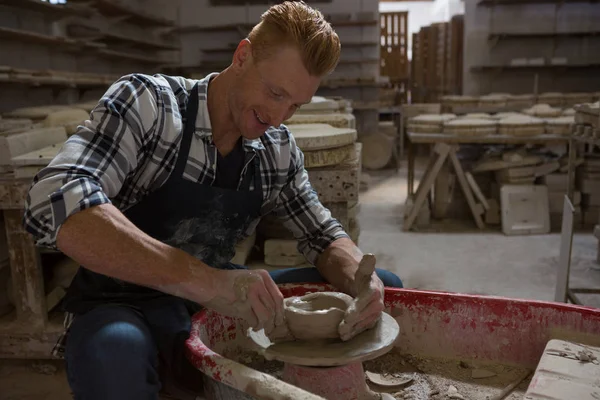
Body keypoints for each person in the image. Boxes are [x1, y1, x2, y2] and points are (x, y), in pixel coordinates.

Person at [22, 1, 403, 398]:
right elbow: (55, 197)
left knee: (384, 288)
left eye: (294, 105)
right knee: (114, 355)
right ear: (242, 56)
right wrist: (207, 282)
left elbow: (324, 236)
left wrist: (364, 278)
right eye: (274, 93)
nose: (278, 116)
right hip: (122, 299)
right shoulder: (151, 104)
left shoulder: (277, 148)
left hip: (215, 296)